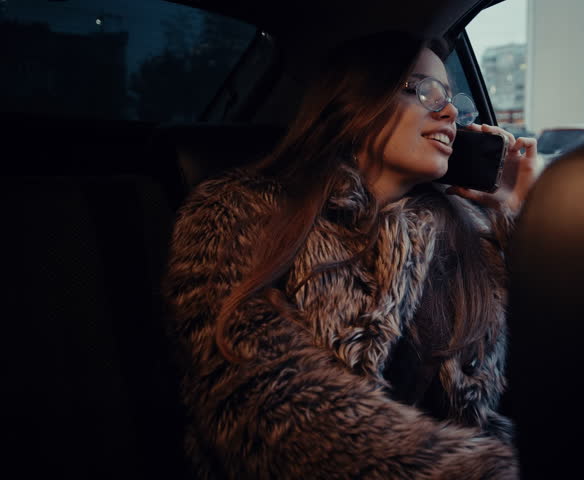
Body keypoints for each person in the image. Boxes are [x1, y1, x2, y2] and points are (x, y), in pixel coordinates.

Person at [162, 30, 536, 479]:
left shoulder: (461, 231)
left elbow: (545, 358)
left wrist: (512, 215)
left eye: (455, 99)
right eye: (427, 91)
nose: (452, 110)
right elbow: (265, 406)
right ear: (359, 101)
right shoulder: (238, 212)